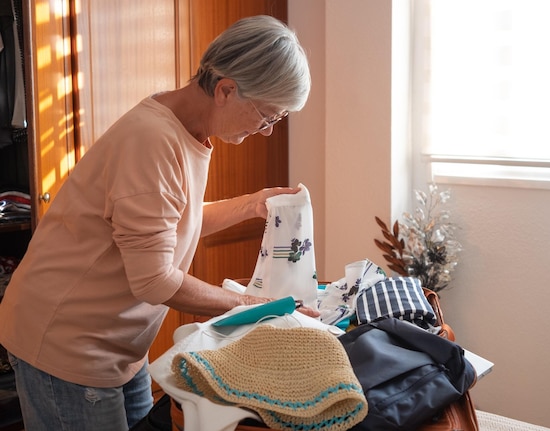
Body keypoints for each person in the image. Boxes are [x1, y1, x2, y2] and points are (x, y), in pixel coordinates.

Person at [0, 15, 317, 430]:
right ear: (226, 90)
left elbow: (170, 223)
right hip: (68, 345)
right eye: (268, 117)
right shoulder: (152, 141)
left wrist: (253, 204)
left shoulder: (188, 130)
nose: (267, 132)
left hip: (117, 345)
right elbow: (154, 280)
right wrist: (253, 307)